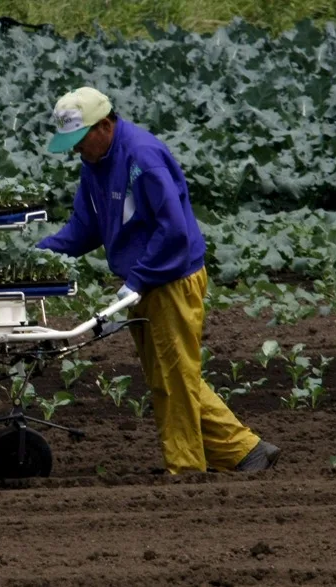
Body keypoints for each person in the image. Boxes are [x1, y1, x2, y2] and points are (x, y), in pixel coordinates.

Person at [37, 87, 280, 474]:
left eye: (80, 140)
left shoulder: (142, 158)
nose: (76, 150)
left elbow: (175, 232)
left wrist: (137, 281)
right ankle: (244, 451)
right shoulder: (95, 163)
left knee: (174, 382)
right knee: (170, 375)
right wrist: (38, 255)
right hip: (142, 281)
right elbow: (84, 228)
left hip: (171, 278)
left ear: (104, 125)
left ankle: (185, 471)